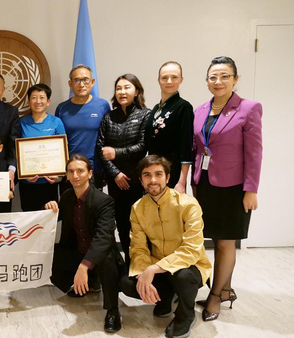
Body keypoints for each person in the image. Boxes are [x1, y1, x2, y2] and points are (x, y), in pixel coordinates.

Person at [191, 56, 262, 322]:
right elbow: (199, 148)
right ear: (207, 80)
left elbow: (255, 153)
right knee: (215, 239)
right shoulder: (199, 110)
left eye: (224, 76)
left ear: (235, 79)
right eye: (213, 76)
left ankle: (214, 296)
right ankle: (227, 289)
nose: (218, 81)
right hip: (205, 183)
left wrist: (251, 189)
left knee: (225, 242)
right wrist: (194, 182)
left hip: (234, 187)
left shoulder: (248, 108)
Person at [122, 155, 212, 338]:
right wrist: (143, 274)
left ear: (168, 177)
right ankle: (167, 297)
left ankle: (185, 316)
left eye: (158, 174)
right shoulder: (138, 208)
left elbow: (192, 249)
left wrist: (154, 269)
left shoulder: (188, 204)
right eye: (147, 175)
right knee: (128, 284)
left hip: (191, 265)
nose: (153, 180)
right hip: (158, 265)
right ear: (141, 180)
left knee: (183, 276)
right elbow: (137, 247)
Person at [45, 154, 124, 333]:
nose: (75, 175)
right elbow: (55, 216)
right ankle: (89, 283)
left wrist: (84, 266)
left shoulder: (104, 201)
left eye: (80, 171)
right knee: (50, 260)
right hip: (76, 249)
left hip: (99, 253)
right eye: (71, 171)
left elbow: (103, 238)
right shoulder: (66, 197)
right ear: (66, 175)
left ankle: (113, 310)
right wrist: (50, 207)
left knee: (107, 260)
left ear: (89, 174)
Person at [96, 73, 150, 263]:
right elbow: (100, 148)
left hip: (137, 179)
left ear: (136, 91)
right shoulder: (108, 117)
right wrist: (115, 173)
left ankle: (140, 262)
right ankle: (128, 262)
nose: (122, 92)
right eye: (118, 88)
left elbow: (143, 146)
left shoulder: (146, 114)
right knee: (120, 223)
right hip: (115, 180)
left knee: (138, 224)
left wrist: (116, 153)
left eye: (127, 87)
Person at [55, 65, 110, 190]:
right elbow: (57, 142)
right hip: (70, 171)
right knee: (70, 208)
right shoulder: (62, 108)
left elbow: (108, 137)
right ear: (70, 84)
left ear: (92, 82)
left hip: (94, 170)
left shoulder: (103, 105)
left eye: (85, 80)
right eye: (76, 80)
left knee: (94, 208)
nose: (81, 84)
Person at [145, 61, 194, 193]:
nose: (169, 81)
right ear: (158, 80)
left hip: (172, 173)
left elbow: (186, 147)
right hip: (153, 172)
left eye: (174, 77)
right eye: (164, 77)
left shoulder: (184, 107)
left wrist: (182, 182)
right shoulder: (156, 109)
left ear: (181, 80)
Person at [19, 84, 65, 211]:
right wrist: (23, 175)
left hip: (49, 184)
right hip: (28, 184)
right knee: (30, 222)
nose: (38, 101)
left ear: (48, 101)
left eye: (42, 97)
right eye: (34, 97)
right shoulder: (21, 123)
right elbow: (16, 153)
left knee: (50, 220)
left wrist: (58, 176)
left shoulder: (56, 122)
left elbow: (63, 151)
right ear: (29, 102)